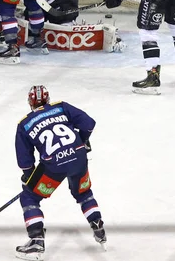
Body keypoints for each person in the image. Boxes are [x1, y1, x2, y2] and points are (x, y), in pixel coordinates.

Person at [14, 85, 106, 260]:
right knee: (83, 192)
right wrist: (83, 140)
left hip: (53, 166)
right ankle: (98, 225)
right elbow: (89, 123)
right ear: (48, 99)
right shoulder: (61, 106)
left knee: (29, 197)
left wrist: (29, 177)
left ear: (29, 103)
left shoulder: (24, 123)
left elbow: (25, 160)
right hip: (78, 158)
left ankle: (36, 241)